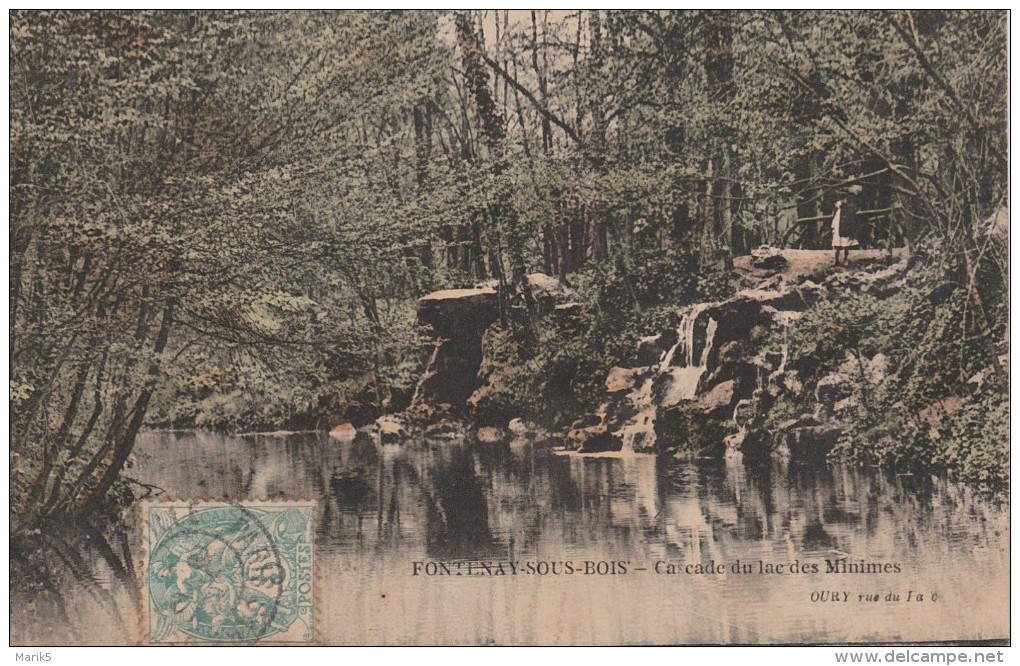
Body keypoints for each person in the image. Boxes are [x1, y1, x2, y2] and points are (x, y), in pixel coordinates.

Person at [831, 194, 861, 266]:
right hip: (837, 230)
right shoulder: (837, 210)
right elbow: (835, 220)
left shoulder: (848, 210)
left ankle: (845, 259)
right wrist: (833, 228)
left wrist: (851, 231)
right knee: (837, 246)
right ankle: (836, 260)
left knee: (845, 246)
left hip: (845, 230)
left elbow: (851, 221)